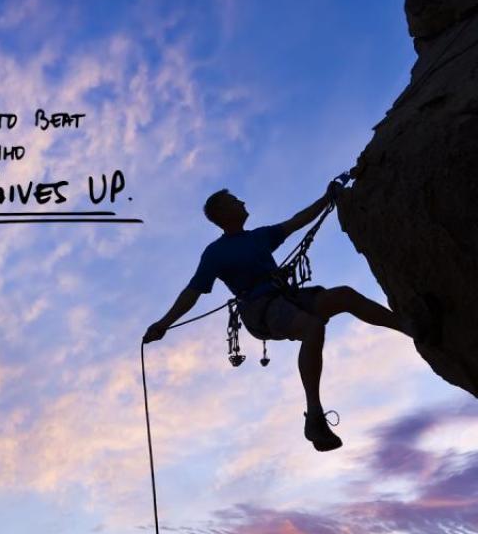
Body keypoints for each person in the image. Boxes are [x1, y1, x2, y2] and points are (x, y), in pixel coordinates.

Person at [143, 183, 416, 452]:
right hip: (259, 310)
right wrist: (164, 323)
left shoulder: (258, 237)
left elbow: (297, 222)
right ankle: (315, 416)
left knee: (343, 295)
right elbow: (193, 292)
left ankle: (408, 327)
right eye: (236, 201)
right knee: (311, 328)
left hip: (286, 297)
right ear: (224, 213)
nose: (243, 203)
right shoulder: (215, 253)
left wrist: (326, 198)